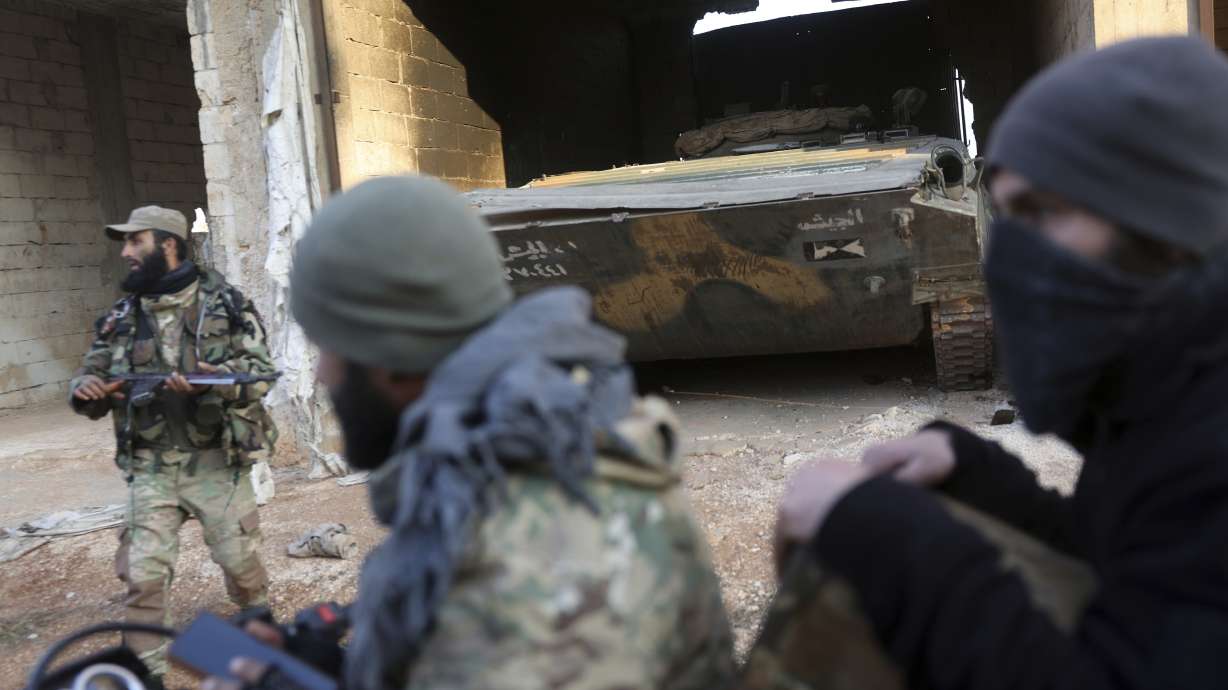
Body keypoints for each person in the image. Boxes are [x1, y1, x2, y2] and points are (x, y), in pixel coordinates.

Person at [761, 36, 1228, 690]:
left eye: (1043, 212)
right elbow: (1145, 565)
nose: (1014, 256)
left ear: (1166, 213)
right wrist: (977, 472)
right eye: (1006, 216)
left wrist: (879, 532)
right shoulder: (1173, 393)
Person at [205, 175, 734, 690]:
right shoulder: (523, 451)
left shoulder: (531, 576)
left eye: (331, 348)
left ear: (390, 356)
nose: (322, 375)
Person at [69, 205, 278, 686]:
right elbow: (91, 370)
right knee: (144, 574)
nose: (125, 253)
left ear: (168, 244)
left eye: (134, 242)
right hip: (152, 465)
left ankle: (261, 647)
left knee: (241, 567)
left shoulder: (226, 305)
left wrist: (211, 386)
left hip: (215, 462)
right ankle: (147, 673)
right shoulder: (120, 316)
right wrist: (87, 389)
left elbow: (261, 375)